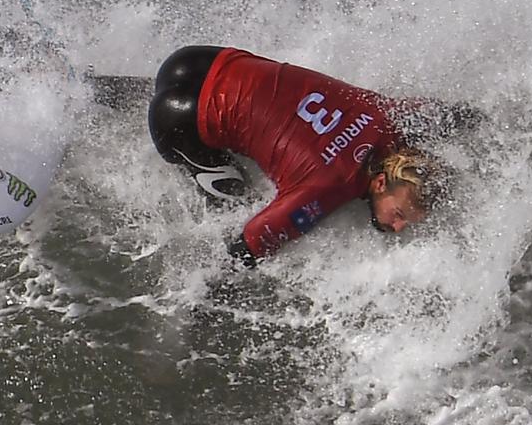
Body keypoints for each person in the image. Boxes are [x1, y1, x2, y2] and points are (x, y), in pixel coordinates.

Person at [146, 46, 472, 265]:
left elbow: (452, 114)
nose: (399, 227)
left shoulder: (387, 117)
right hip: (179, 122)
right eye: (399, 214)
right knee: (234, 205)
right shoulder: (328, 188)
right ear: (381, 181)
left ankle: (101, 90)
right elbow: (249, 243)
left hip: (200, 59)